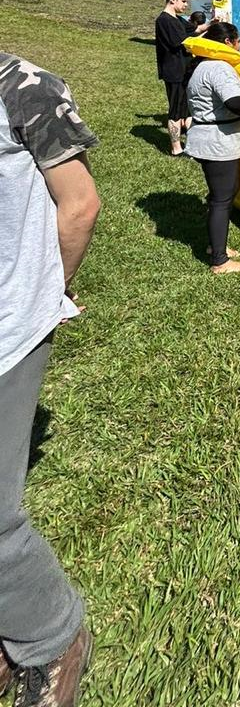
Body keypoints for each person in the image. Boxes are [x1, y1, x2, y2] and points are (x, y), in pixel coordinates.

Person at [0, 51, 101, 705]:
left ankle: (53, 637)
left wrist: (50, 294)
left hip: (8, 325)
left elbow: (81, 204)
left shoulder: (20, 85)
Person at [185, 23, 240, 273]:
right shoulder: (218, 68)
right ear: (228, 43)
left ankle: (217, 245)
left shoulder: (204, 66)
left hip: (213, 138)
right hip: (217, 141)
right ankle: (219, 260)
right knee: (222, 198)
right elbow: (235, 102)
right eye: (238, 41)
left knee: (225, 192)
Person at [155, 0, 207, 157]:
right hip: (174, 73)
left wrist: (212, 24)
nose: (186, 5)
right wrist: (204, 41)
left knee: (188, 109)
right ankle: (176, 148)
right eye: (183, 1)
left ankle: (192, 144)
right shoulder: (164, 20)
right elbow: (184, 42)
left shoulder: (177, 19)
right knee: (176, 111)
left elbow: (196, 29)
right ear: (173, 0)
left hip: (185, 71)